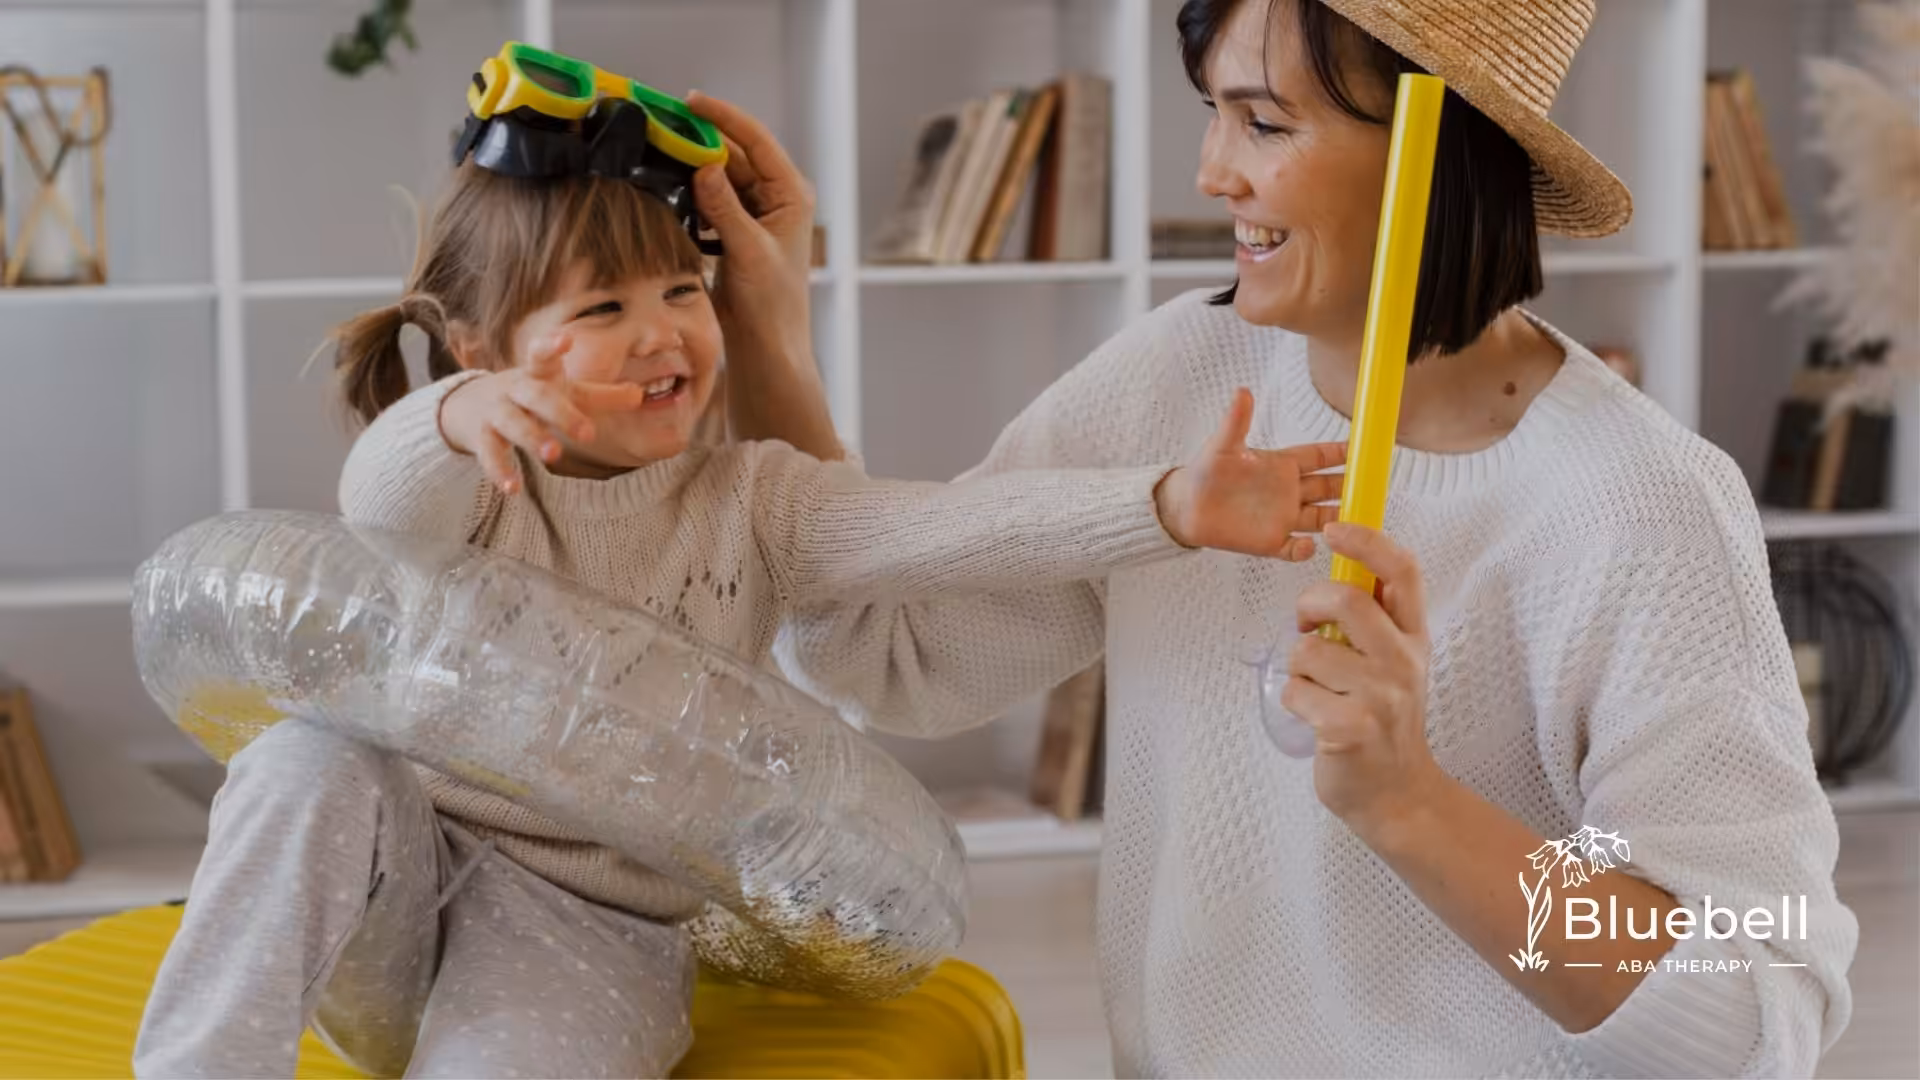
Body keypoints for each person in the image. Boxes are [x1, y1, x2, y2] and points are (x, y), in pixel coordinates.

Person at [130, 75, 1352, 1077]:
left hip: (589, 928)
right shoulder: (473, 473)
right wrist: (460, 414)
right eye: (604, 305)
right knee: (305, 759)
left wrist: (1172, 507)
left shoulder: (757, 504)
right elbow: (377, 505)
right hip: (394, 879)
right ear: (478, 348)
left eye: (683, 290)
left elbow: (944, 530)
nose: (664, 332)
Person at [751, 1, 1860, 1075]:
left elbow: (1749, 1019)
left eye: (1266, 122)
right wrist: (767, 340)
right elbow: (893, 658)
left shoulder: (1643, 505)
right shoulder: (1183, 370)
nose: (1211, 171)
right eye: (1215, 110)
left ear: (1443, 150)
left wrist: (1411, 802)